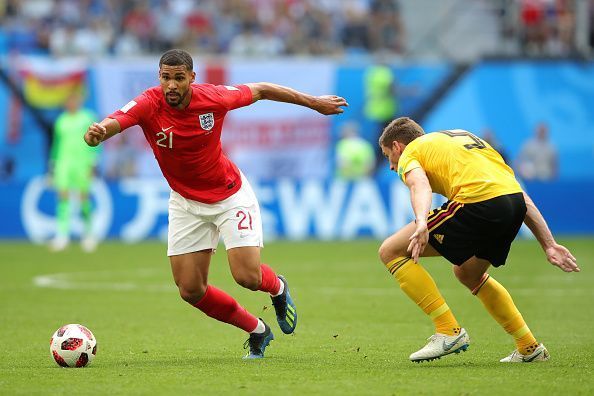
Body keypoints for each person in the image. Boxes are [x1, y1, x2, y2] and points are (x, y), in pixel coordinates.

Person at [84, 49, 348, 359]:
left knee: (247, 277)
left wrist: (314, 102)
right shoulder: (148, 103)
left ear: (192, 78)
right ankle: (257, 330)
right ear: (159, 77)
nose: (171, 85)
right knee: (190, 290)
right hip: (185, 202)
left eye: (179, 78)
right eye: (166, 78)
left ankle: (277, 288)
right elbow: (117, 119)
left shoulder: (214, 98)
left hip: (229, 195)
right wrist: (99, 132)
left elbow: (262, 89)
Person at [377, 117, 579, 363]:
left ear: (398, 146)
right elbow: (518, 194)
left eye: (388, 155)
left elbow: (419, 185)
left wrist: (421, 221)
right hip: (512, 205)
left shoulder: (412, 152)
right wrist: (548, 244)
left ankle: (448, 330)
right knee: (467, 273)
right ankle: (529, 347)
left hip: (478, 202)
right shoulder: (466, 138)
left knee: (390, 251)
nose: (391, 165)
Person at [49, 92, 100, 252]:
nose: (71, 103)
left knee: (83, 198)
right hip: (64, 164)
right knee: (62, 197)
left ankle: (88, 235)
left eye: (74, 99)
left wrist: (93, 162)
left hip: (82, 163)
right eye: (68, 100)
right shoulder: (61, 121)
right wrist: (53, 165)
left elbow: (97, 141)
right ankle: (62, 235)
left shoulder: (87, 118)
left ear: (78, 101)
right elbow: (57, 145)